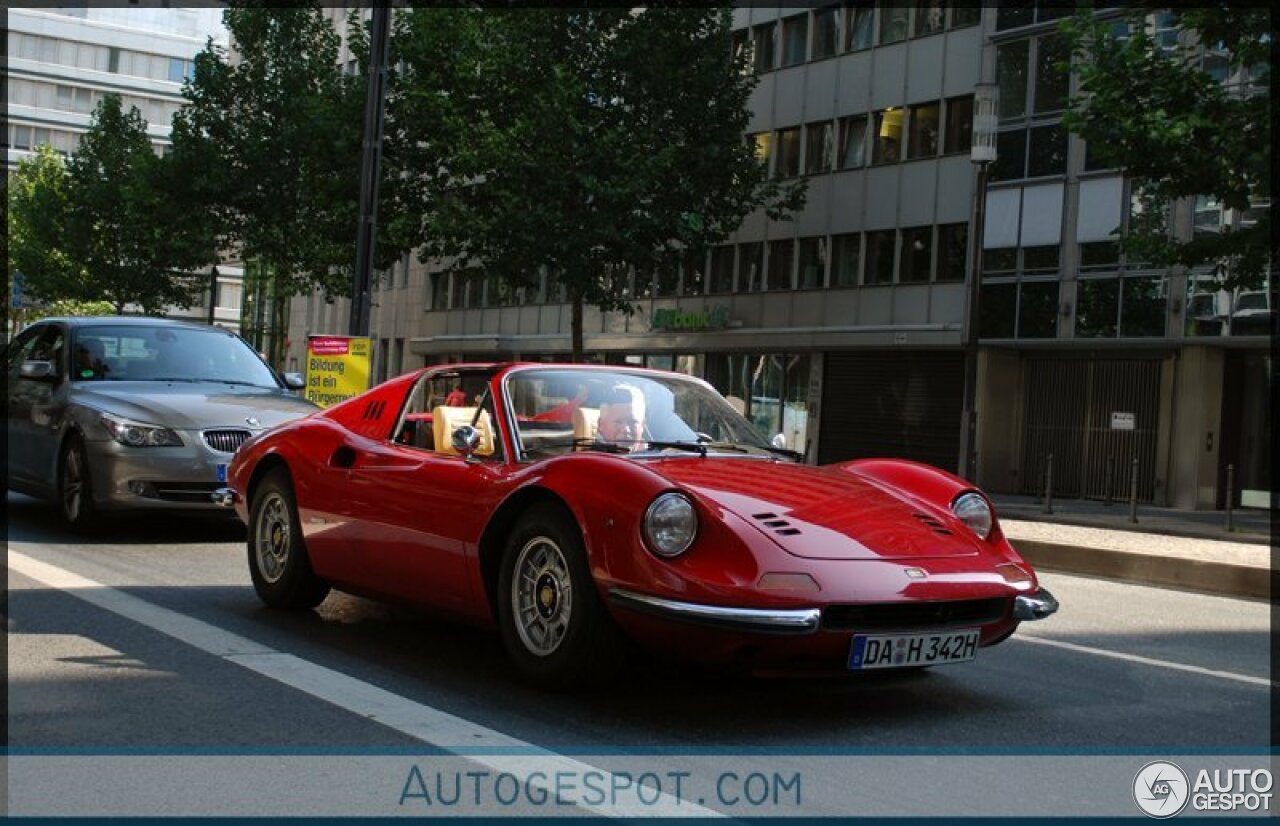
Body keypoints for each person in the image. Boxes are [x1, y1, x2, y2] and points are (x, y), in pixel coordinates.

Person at [596, 384, 646, 451]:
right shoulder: (586, 459)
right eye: (618, 422)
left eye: (632, 422)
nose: (625, 430)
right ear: (601, 425)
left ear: (643, 425)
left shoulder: (658, 457)